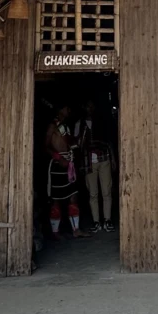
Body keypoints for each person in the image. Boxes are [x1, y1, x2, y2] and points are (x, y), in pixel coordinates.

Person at [74, 98, 116, 233]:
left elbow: (109, 142)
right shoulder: (79, 124)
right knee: (93, 193)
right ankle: (96, 221)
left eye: (92, 107)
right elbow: (77, 145)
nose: (90, 110)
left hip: (104, 159)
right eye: (88, 107)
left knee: (106, 191)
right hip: (88, 162)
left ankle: (107, 220)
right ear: (84, 108)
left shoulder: (102, 123)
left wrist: (113, 159)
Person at [45, 105, 81, 239]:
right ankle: (55, 232)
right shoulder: (52, 126)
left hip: (69, 164)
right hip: (57, 165)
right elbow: (46, 146)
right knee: (56, 199)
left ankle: (76, 230)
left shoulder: (66, 126)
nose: (69, 110)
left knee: (73, 195)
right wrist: (58, 158)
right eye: (66, 108)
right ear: (60, 109)